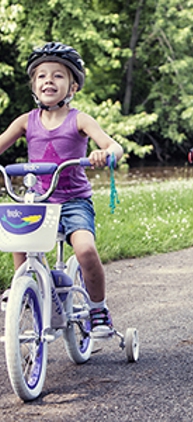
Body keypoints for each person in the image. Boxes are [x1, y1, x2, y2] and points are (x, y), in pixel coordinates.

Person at [0, 42, 124, 337]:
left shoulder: (78, 119)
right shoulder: (25, 121)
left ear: (73, 86)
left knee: (85, 250)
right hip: (38, 200)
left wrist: (105, 154)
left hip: (73, 201)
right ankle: (25, 286)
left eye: (58, 76)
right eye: (42, 76)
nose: (49, 81)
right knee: (16, 232)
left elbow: (113, 146)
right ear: (33, 84)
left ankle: (98, 309)